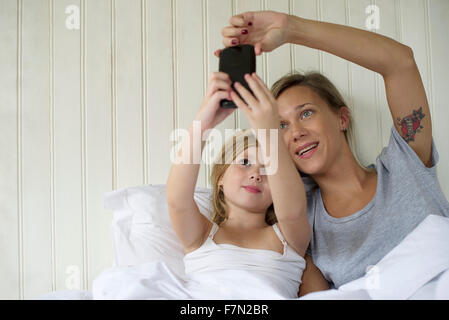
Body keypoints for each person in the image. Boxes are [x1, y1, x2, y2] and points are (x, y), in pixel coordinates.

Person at [216, 10, 449, 295]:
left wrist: (292, 29)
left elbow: (400, 62)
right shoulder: (299, 223)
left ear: (342, 118)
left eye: (306, 113)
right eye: (281, 126)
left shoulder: (404, 162)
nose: (296, 132)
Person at [164, 71, 311, 299]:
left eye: (267, 169)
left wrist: (269, 132)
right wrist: (204, 122)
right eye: (244, 162)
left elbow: (292, 210)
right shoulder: (202, 236)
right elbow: (177, 199)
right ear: (220, 178)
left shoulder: (288, 238)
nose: (255, 174)